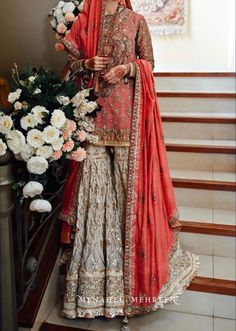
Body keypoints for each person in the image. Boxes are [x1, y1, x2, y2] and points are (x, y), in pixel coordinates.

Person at [59, 0, 200, 329]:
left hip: (126, 119)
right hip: (93, 118)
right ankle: (95, 286)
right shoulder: (86, 20)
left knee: (127, 196)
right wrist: (86, 63)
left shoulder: (135, 20)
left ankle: (131, 282)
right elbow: (71, 62)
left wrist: (127, 69)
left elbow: (149, 61)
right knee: (95, 199)